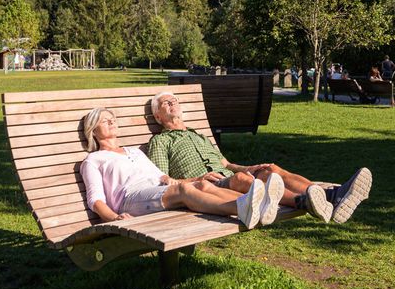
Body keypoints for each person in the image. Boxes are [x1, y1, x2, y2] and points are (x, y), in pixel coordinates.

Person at [146, 91, 372, 224]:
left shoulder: (198, 135)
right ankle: (305, 202)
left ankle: (333, 195)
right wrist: (197, 178)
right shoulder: (161, 141)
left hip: (227, 174)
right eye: (166, 103)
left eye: (175, 100)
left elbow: (225, 163)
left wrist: (250, 166)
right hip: (209, 186)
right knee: (242, 181)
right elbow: (161, 179)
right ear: (158, 115)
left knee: (270, 169)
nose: (173, 103)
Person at [79, 108, 284, 229]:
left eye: (112, 118)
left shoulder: (134, 151)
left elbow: (163, 178)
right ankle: (242, 208)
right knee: (184, 191)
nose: (112, 121)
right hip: (130, 200)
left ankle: (259, 203)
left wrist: (196, 179)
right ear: (92, 131)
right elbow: (95, 200)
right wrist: (115, 218)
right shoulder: (94, 160)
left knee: (201, 185)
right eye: (105, 120)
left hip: (156, 191)